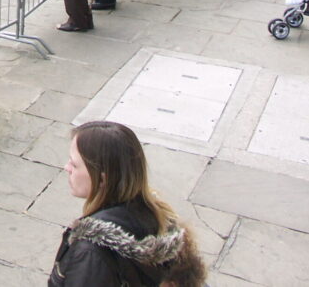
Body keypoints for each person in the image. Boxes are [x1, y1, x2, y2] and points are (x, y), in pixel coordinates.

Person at [51, 121, 205, 286]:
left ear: (102, 178)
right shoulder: (156, 216)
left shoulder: (91, 253)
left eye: (74, 164)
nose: (67, 168)